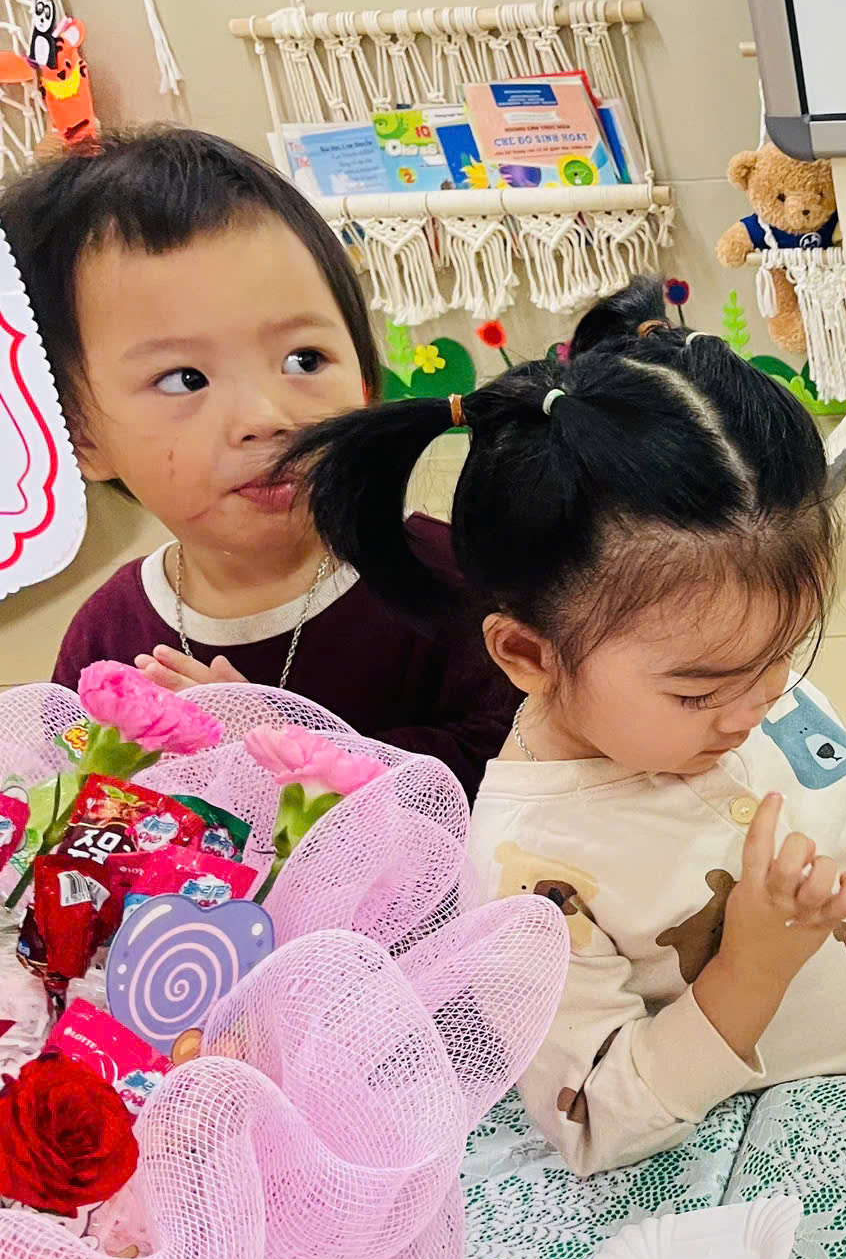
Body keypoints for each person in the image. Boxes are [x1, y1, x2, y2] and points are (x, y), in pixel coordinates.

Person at [289, 279, 846, 1174]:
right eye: (698, 694)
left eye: (782, 654)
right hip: (769, 1181)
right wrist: (750, 972)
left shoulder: (753, 693)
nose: (756, 709)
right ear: (529, 655)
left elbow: (845, 840)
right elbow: (594, 1123)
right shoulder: (525, 874)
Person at [4, 127, 516, 796]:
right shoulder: (110, 633)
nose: (265, 416)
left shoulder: (451, 578)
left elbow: (526, 765)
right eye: (184, 379)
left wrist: (288, 752)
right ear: (84, 437)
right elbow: (81, 802)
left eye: (305, 359)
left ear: (365, 384)